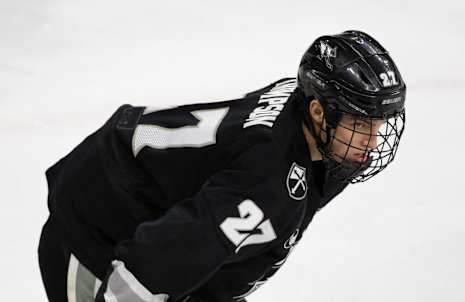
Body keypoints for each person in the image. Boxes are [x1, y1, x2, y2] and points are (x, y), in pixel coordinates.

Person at [38, 30, 406, 302]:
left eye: (378, 124)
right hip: (94, 229)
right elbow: (163, 256)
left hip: (151, 207)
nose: (371, 142)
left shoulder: (314, 130)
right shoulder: (267, 186)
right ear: (317, 111)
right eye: (359, 124)